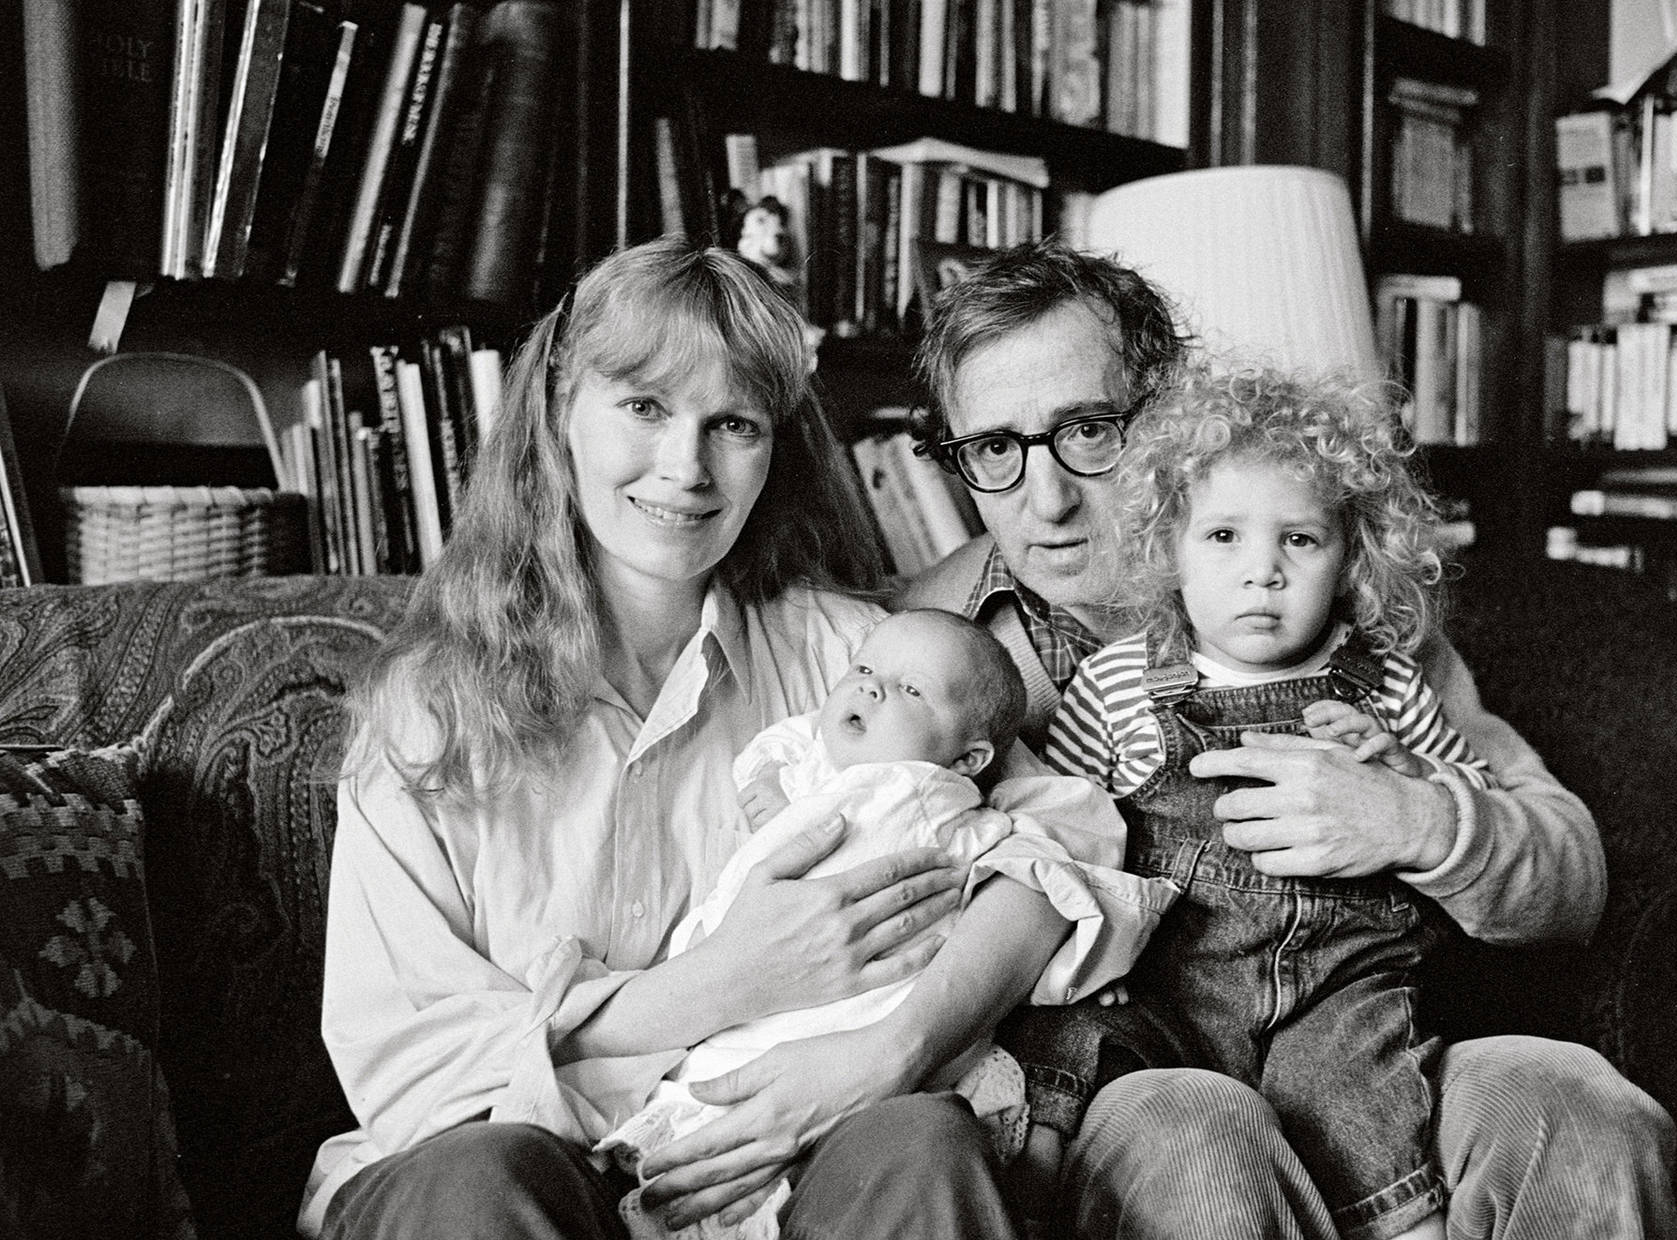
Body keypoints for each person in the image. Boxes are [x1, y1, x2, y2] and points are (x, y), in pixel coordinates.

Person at [303, 237, 1164, 1240]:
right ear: (556, 417)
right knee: (479, 1178)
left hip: (781, 1159)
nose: (686, 466)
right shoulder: (429, 714)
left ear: (773, 451)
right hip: (513, 1166)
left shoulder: (852, 656)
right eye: (644, 406)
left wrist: (893, 1043)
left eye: (733, 424)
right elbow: (411, 1065)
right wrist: (718, 985)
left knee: (919, 1142)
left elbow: (1064, 847)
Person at [903, 238, 1677, 1240]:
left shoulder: (1336, 617)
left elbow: (1570, 872)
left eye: (1088, 430)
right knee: (1200, 1131)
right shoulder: (915, 643)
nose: (1043, 497)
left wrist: (1417, 817)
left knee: (1581, 1110)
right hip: (1138, 1069)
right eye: (994, 449)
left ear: (1165, 422)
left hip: (1369, 1039)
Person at [1020, 363, 1497, 1240]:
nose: (1263, 575)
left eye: (1300, 542)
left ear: (1352, 556)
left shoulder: (1385, 683)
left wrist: (1406, 778)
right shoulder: (1122, 682)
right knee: (1064, 1042)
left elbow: (1473, 798)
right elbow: (1056, 830)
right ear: (1170, 549)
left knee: (1372, 1108)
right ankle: (1023, 1202)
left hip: (1339, 991)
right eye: (1225, 538)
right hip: (1168, 980)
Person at [595, 608, 1168, 1240]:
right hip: (725, 1004)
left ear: (969, 759)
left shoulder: (938, 804)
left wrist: (1079, 967)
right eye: (865, 669)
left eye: (911, 690)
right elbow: (790, 745)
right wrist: (778, 795)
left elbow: (1054, 859)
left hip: (853, 1046)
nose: (872, 686)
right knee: (715, 1104)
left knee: (763, 1137)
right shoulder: (818, 769)